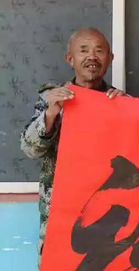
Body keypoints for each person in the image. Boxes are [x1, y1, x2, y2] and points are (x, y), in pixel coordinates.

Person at [20, 28, 125, 255]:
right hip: (60, 218)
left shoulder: (122, 102)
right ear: (70, 58)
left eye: (99, 51)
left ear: (110, 59)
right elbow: (29, 149)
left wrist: (137, 111)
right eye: (83, 50)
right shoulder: (51, 98)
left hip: (107, 220)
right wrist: (50, 114)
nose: (92, 57)